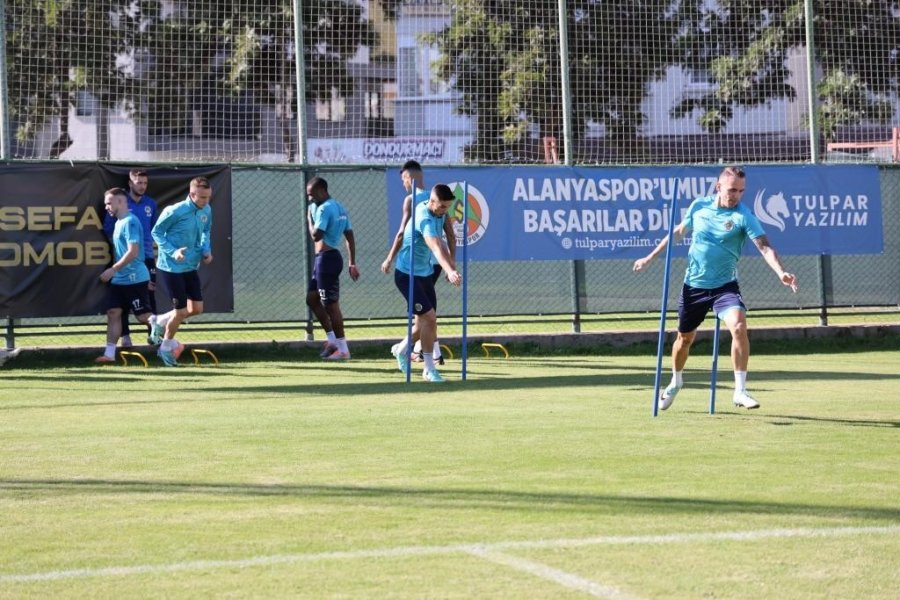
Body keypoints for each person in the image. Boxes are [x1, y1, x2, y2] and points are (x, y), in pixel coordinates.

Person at [633, 166, 798, 410]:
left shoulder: (744, 215)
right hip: (694, 286)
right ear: (718, 187)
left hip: (725, 287)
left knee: (739, 326)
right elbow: (677, 232)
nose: (736, 196)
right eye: (732, 190)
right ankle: (676, 382)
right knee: (684, 339)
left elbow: (765, 247)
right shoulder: (699, 206)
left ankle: (740, 391)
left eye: (741, 191)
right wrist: (649, 257)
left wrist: (780, 272)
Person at [381, 160, 456, 365]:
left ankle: (421, 352)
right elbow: (450, 237)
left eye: (404, 180)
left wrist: (389, 258)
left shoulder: (412, 199)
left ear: (409, 178)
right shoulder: (433, 201)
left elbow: (401, 233)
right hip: (435, 265)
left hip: (423, 264)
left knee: (424, 314)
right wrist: (451, 266)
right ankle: (426, 353)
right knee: (427, 313)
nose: (404, 184)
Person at [392, 183, 462, 383]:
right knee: (429, 318)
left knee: (426, 321)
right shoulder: (424, 217)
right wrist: (449, 271)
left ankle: (402, 349)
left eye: (447, 207)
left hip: (424, 273)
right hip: (406, 274)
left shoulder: (440, 213)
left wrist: (452, 266)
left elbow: (449, 238)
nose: (444, 211)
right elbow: (435, 246)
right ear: (432, 202)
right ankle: (429, 369)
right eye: (441, 207)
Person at [150, 176, 213, 367]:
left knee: (196, 309)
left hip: (191, 265)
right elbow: (156, 232)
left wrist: (206, 250)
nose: (206, 201)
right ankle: (166, 348)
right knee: (181, 311)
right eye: (202, 197)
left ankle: (159, 321)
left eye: (208, 197)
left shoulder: (207, 210)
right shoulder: (175, 211)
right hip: (171, 267)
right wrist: (173, 251)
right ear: (192, 194)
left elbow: (206, 231)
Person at [96, 188, 159, 363]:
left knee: (142, 317)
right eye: (106, 203)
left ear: (120, 202)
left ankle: (168, 338)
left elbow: (133, 252)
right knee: (113, 312)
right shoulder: (118, 222)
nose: (107, 206)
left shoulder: (130, 221)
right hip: (120, 280)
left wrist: (112, 270)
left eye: (109, 203)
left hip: (134, 278)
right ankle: (109, 355)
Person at [306, 176, 359, 360]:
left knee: (331, 306)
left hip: (326, 261)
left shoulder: (325, 208)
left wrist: (309, 219)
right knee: (312, 299)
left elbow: (316, 235)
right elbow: (349, 235)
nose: (310, 199)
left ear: (322, 191)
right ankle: (332, 340)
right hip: (326, 259)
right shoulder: (339, 207)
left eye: (312, 195)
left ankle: (343, 349)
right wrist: (352, 262)